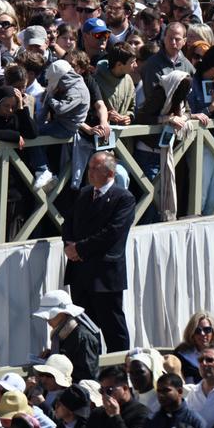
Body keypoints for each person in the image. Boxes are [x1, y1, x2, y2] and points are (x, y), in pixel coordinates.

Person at [61, 151, 136, 353]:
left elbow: (112, 233)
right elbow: (69, 221)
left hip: (105, 274)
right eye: (90, 167)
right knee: (85, 327)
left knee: (112, 326)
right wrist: (69, 244)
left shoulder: (123, 198)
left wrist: (80, 249)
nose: (90, 172)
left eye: (95, 168)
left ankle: (118, 367)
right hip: (80, 271)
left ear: (110, 173)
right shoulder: (84, 193)